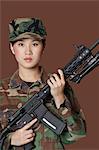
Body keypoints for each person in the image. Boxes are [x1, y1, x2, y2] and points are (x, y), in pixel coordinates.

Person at [0, 18, 86, 150]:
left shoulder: (58, 84)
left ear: (43, 47)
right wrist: (11, 140)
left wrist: (59, 98)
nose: (28, 51)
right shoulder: (1, 90)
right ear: (12, 48)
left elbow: (77, 135)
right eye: (21, 45)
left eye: (34, 44)